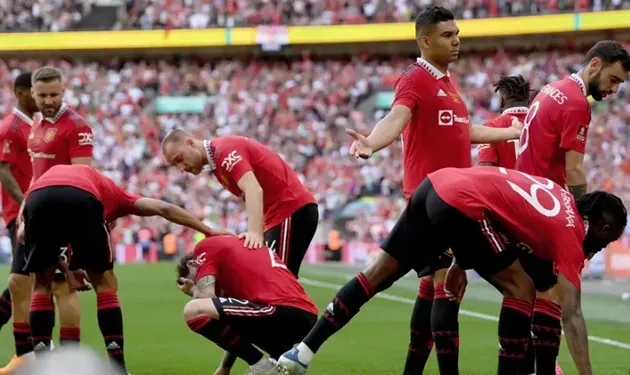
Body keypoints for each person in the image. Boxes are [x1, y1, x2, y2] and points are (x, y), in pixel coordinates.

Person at [278, 167, 626, 375]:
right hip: (462, 204)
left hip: (435, 185)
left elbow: (496, 209)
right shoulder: (570, 231)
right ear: (603, 227)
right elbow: (573, 312)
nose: (606, 247)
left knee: (378, 273)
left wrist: (462, 261)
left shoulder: (557, 198)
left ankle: (302, 353)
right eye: (609, 240)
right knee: (522, 289)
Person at [344, 6, 521, 374]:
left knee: (430, 290)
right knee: (445, 288)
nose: (456, 40)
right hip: (432, 203)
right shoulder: (415, 78)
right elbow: (396, 117)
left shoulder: (449, 84)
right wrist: (372, 143)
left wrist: (511, 133)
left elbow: (464, 132)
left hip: (453, 200)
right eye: (447, 35)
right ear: (425, 41)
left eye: (457, 34)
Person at [19, 164, 230, 373]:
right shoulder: (117, 196)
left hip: (38, 197)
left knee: (41, 284)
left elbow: (25, 237)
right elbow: (163, 208)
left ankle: (41, 367)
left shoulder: (45, 186)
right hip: (83, 197)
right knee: (105, 285)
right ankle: (118, 368)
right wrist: (208, 230)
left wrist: (66, 270)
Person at [514, 40, 630, 375]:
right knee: (555, 295)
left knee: (528, 293)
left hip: (526, 195)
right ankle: (546, 367)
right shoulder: (578, 103)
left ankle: (533, 364)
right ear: (595, 65)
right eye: (613, 79)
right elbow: (575, 168)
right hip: (542, 205)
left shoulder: (552, 89)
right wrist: (581, 216)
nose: (613, 89)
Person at [161, 129, 318, 275]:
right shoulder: (217, 161)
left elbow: (253, 189)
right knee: (269, 280)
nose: (181, 168)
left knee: (277, 281)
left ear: (190, 143)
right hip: (281, 215)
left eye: (179, 159)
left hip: (290, 209)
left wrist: (254, 234)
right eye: (175, 165)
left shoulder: (223, 151)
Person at [24, 65, 94, 353]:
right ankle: (43, 354)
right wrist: (22, 212)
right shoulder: (37, 126)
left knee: (64, 285)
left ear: (64, 91)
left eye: (54, 94)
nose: (49, 100)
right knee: (39, 282)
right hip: (36, 213)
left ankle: (69, 357)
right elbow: (34, 175)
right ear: (33, 94)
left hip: (63, 215)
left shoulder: (77, 126)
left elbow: (81, 177)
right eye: (43, 95)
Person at [177, 235, 318, 375]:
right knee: (226, 315)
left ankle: (263, 367)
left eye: (194, 280)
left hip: (282, 309)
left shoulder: (204, 248)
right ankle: (275, 364)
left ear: (192, 264)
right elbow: (235, 320)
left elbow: (203, 299)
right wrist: (225, 367)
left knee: (193, 309)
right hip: (303, 317)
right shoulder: (234, 265)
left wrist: (194, 289)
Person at [0, 73, 39, 375]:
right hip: (22, 215)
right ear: (22, 93)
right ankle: (25, 352)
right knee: (23, 280)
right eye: (36, 92)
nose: (40, 98)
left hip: (35, 211)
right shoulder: (11, 128)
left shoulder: (33, 126)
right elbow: (3, 170)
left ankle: (33, 350)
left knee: (27, 279)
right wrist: (26, 203)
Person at [477, 75, 531, 169]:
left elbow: (485, 168)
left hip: (508, 183)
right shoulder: (542, 123)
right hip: (541, 183)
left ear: (501, 101)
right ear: (529, 101)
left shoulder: (490, 127)